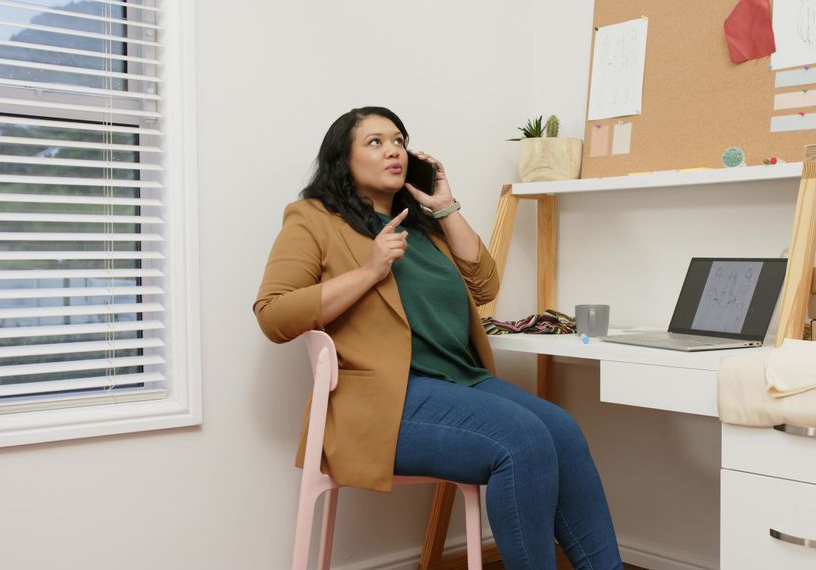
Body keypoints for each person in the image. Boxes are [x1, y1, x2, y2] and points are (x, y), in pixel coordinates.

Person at [254, 106, 622, 569]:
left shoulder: (422, 225)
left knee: (563, 431)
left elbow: (485, 285)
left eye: (398, 140)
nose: (393, 150)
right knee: (523, 440)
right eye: (374, 142)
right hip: (383, 400)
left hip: (461, 382)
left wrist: (445, 207)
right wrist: (369, 271)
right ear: (341, 159)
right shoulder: (314, 219)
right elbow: (273, 315)